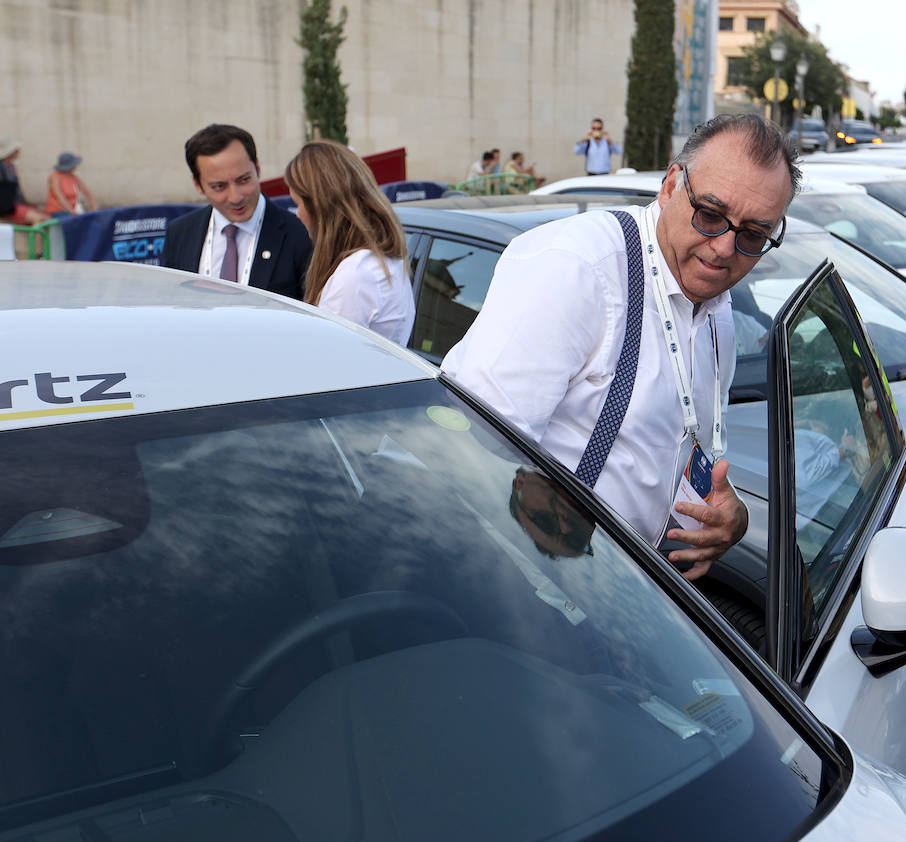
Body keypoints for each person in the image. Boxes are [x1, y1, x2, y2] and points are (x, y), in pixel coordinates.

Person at [445, 114, 798, 580]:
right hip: (532, 579)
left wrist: (730, 514)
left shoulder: (717, 309)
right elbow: (468, 454)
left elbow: (671, 438)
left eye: (753, 235)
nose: (724, 249)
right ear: (671, 186)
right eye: (710, 215)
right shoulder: (577, 270)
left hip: (630, 590)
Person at [283, 140, 415, 346]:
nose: (298, 214)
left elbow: (327, 359)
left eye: (298, 203)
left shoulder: (357, 274)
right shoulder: (376, 260)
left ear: (322, 207)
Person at [160, 124, 312, 300]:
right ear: (197, 184)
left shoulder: (299, 235)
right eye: (219, 186)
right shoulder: (180, 233)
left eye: (244, 180)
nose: (235, 197)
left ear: (258, 169)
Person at [0, 138, 51, 226]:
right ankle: (34, 240)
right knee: (38, 219)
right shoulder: (1, 167)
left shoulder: (11, 166)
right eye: (16, 150)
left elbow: (17, 189)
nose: (18, 152)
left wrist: (28, 204)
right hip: (8, 207)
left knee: (48, 218)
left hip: (17, 204)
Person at [44, 152, 98, 217]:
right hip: (58, 210)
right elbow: (59, 196)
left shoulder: (73, 177)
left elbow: (87, 192)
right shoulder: (54, 176)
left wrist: (94, 208)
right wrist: (72, 212)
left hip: (73, 209)